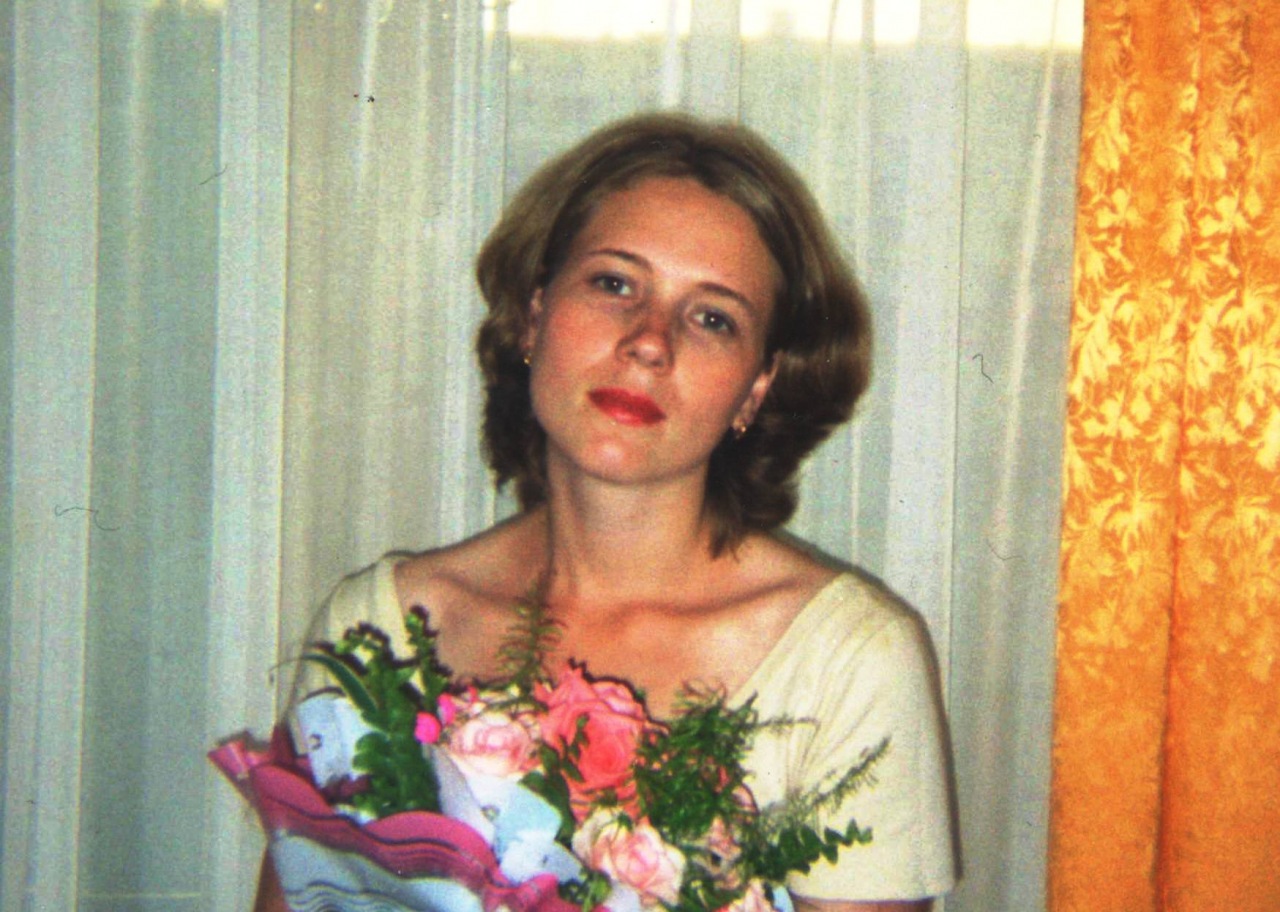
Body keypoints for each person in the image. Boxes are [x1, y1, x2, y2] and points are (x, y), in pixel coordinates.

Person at [254, 112, 957, 912]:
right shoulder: (376, 627)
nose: (650, 341)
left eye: (713, 318)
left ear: (755, 389)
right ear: (533, 315)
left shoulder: (850, 661)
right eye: (615, 284)